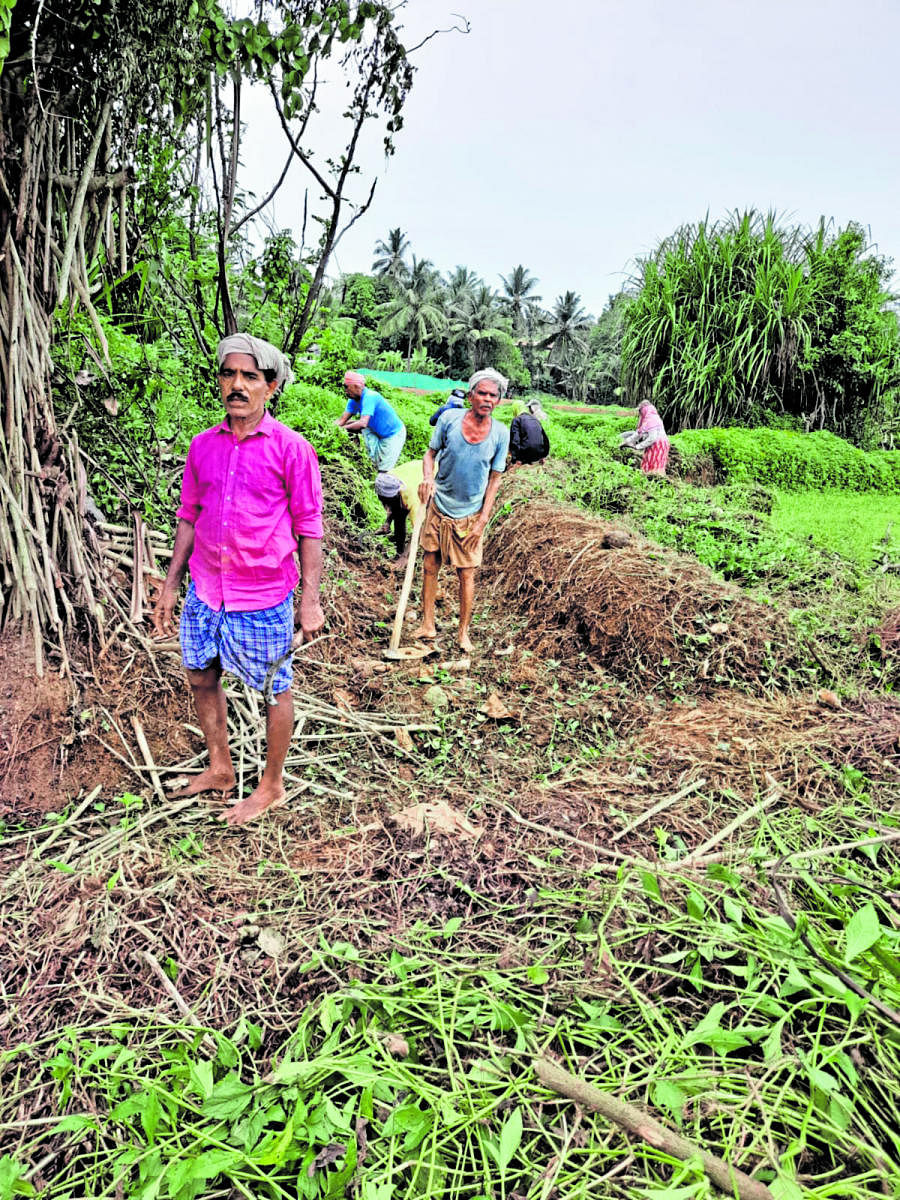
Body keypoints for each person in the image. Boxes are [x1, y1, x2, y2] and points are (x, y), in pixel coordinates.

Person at [151, 333, 325, 827]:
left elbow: (309, 527)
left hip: (263, 593)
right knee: (201, 674)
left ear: (270, 386)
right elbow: (189, 515)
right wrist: (170, 585)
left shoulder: (293, 449)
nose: (238, 385)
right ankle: (221, 768)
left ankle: (272, 785)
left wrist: (308, 601)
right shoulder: (202, 445)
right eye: (229, 374)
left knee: (273, 689)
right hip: (207, 589)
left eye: (250, 376)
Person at [414, 368, 510, 653]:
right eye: (481, 393)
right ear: (470, 396)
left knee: (466, 574)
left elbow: (495, 479)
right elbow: (430, 454)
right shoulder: (448, 420)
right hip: (439, 505)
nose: (487, 399)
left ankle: (463, 632)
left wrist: (482, 520)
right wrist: (428, 479)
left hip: (469, 515)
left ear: (499, 401)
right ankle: (428, 624)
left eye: (493, 395)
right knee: (430, 566)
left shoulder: (500, 434)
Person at [336, 370, 406, 472]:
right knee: (373, 462)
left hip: (392, 435)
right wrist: (331, 429)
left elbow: (363, 423)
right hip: (374, 429)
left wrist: (341, 429)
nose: (345, 390)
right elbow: (342, 420)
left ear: (356, 386)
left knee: (383, 470)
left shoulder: (370, 396)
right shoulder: (353, 400)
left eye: (346, 386)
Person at [373, 460, 425, 565]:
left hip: (436, 478)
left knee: (432, 525)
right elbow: (392, 505)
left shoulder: (412, 498)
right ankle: (399, 551)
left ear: (396, 495)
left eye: (387, 502)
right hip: (414, 471)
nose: (385, 506)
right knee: (398, 513)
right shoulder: (386, 480)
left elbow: (419, 531)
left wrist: (405, 557)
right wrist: (387, 522)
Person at [619, 400, 670, 476]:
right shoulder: (648, 419)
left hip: (658, 445)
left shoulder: (653, 419)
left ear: (645, 410)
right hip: (654, 445)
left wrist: (637, 446)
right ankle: (650, 481)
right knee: (648, 463)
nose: (640, 414)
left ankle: (656, 482)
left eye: (641, 411)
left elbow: (652, 438)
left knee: (654, 466)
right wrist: (625, 442)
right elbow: (638, 434)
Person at [509, 398, 550, 466]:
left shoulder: (517, 420)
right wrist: (543, 456)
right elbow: (545, 439)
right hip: (539, 455)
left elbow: (515, 441)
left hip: (525, 456)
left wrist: (516, 459)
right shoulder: (535, 419)